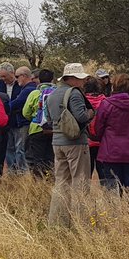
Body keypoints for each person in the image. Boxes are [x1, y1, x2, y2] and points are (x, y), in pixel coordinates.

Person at [46, 63, 96, 227]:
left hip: (57, 142)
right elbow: (82, 117)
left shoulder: (52, 94)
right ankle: (81, 223)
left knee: (61, 182)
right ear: (73, 79)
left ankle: (57, 221)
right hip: (75, 142)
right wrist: (91, 112)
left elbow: (48, 118)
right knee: (80, 182)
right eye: (81, 78)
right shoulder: (74, 93)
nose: (83, 82)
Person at [93, 73, 129, 197]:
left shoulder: (106, 104)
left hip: (111, 149)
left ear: (115, 86)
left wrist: (101, 138)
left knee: (112, 182)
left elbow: (99, 127)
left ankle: (114, 212)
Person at [21, 69, 57, 177]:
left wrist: (34, 119)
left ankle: (39, 182)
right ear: (52, 79)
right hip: (54, 130)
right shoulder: (57, 92)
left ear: (39, 80)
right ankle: (50, 179)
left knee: (37, 158)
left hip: (36, 129)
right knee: (50, 158)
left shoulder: (34, 93)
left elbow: (25, 112)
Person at [7, 67, 36, 173]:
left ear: (24, 76)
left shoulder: (28, 89)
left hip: (24, 123)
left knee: (21, 148)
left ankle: (23, 172)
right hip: (22, 122)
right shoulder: (28, 88)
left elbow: (17, 103)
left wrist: (4, 107)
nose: (16, 79)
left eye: (17, 76)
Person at [82, 76, 107, 176]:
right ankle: (108, 192)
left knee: (86, 175)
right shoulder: (106, 102)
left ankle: (84, 192)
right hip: (103, 142)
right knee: (105, 175)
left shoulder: (81, 101)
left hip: (85, 141)